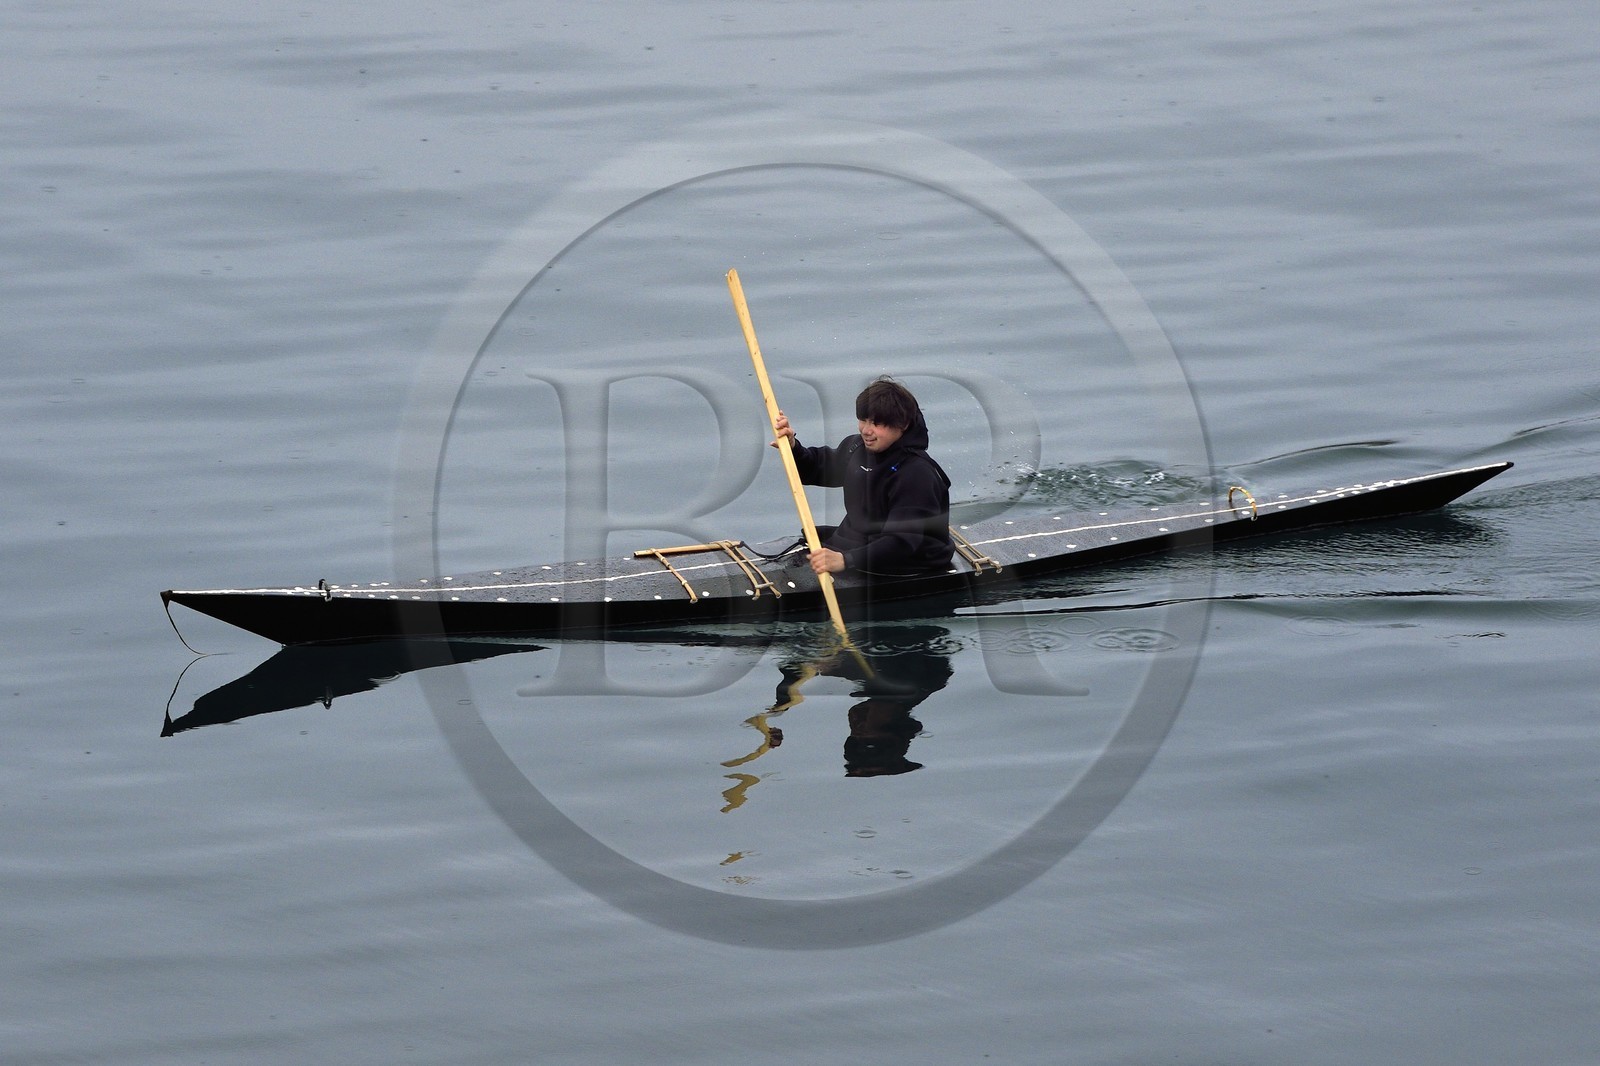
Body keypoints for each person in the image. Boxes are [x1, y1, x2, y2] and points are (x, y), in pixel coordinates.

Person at [771, 377, 954, 577]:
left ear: (903, 424)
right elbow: (817, 468)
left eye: (876, 423)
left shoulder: (917, 474)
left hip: (908, 561)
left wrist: (845, 560)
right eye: (863, 419)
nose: (866, 430)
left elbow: (902, 542)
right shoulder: (856, 448)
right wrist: (793, 448)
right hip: (862, 543)